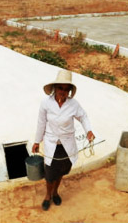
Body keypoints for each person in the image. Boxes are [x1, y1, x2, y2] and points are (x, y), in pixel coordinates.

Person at [32, 70, 95, 211]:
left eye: (66, 90)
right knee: (49, 173)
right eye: (60, 88)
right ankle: (48, 195)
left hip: (66, 145)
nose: (63, 92)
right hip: (51, 143)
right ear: (55, 88)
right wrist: (37, 141)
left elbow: (83, 116)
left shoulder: (74, 105)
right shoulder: (46, 103)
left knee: (61, 171)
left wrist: (89, 130)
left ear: (70, 92)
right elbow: (41, 123)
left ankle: (55, 193)